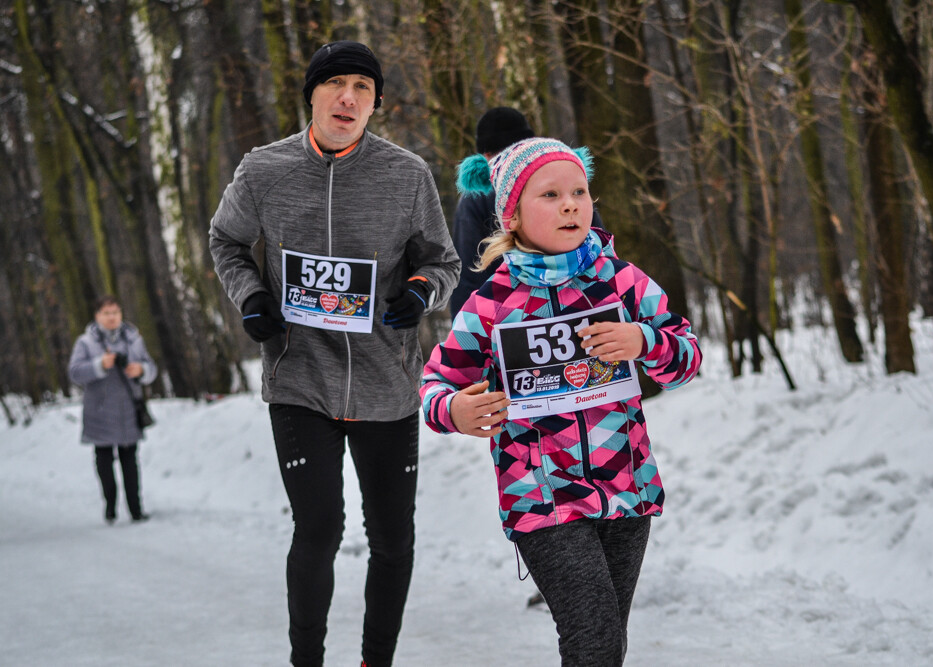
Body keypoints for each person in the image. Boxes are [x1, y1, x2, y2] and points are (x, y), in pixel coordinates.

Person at [209, 41, 459, 667]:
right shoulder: (263, 170)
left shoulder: (407, 175)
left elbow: (443, 261)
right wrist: (252, 297)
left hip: (387, 382)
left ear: (375, 103)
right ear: (313, 94)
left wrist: (423, 293)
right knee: (318, 529)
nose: (349, 98)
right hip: (300, 376)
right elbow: (227, 240)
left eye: (363, 88)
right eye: (336, 84)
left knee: (393, 541)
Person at [421, 137, 702, 666]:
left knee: (606, 644)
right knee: (592, 637)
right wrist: (454, 410)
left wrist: (645, 341)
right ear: (514, 216)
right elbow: (436, 383)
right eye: (550, 194)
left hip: (627, 488)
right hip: (541, 498)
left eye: (579, 191)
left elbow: (687, 357)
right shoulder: (491, 305)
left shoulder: (622, 282)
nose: (571, 203)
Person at [449, 107, 603, 317]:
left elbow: (467, 273)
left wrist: (467, 321)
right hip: (586, 306)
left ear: (485, 156)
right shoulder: (562, 175)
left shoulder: (474, 200)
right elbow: (597, 238)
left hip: (509, 315)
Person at [68, 295, 157, 525]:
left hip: (129, 409)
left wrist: (141, 370)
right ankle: (110, 504)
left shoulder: (133, 339)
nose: (112, 317)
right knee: (104, 462)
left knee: (131, 462)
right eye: (106, 313)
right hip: (99, 412)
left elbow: (152, 369)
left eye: (115, 312)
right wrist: (99, 365)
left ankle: (136, 510)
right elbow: (75, 372)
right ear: (97, 316)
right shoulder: (85, 343)